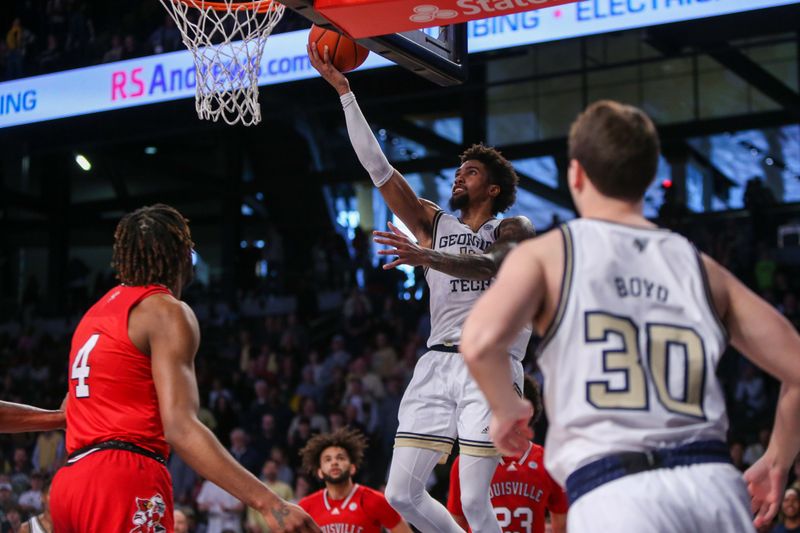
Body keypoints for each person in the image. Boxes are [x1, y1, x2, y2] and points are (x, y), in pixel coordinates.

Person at [461, 100, 800, 531]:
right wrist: (777, 459)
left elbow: (478, 341)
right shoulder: (701, 266)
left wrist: (507, 408)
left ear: (576, 174)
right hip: (712, 486)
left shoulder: (550, 255)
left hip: (614, 491)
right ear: (647, 180)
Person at [308, 43, 535, 533]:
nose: (459, 175)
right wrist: (346, 94)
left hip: (491, 363)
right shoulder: (435, 221)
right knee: (402, 494)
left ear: (492, 188)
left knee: (474, 499)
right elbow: (380, 170)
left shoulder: (512, 226)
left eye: (470, 172)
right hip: (437, 361)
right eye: (458, 170)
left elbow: (494, 266)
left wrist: (427, 256)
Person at [50, 204, 318, 533]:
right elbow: (180, 427)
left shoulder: (93, 315)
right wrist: (270, 503)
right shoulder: (164, 310)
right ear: (179, 255)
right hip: (123, 476)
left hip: (70, 481)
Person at [447, 377, 567, 533]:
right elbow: (456, 523)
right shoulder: (466, 462)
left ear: (529, 411)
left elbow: (562, 522)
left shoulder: (547, 461)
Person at [297, 428, 411, 533]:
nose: (334, 462)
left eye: (340, 458)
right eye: (328, 460)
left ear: (352, 468)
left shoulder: (375, 500)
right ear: (320, 472)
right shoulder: (306, 506)